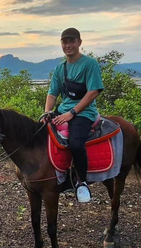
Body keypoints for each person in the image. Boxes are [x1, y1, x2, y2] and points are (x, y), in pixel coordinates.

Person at [43, 28, 104, 203]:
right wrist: (48, 112)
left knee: (76, 144)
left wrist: (72, 113)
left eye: (72, 41)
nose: (68, 45)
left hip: (84, 113)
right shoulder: (60, 68)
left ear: (79, 42)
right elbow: (52, 94)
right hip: (63, 110)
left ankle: (81, 181)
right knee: (40, 132)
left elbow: (93, 91)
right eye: (65, 42)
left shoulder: (89, 64)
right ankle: (54, 174)